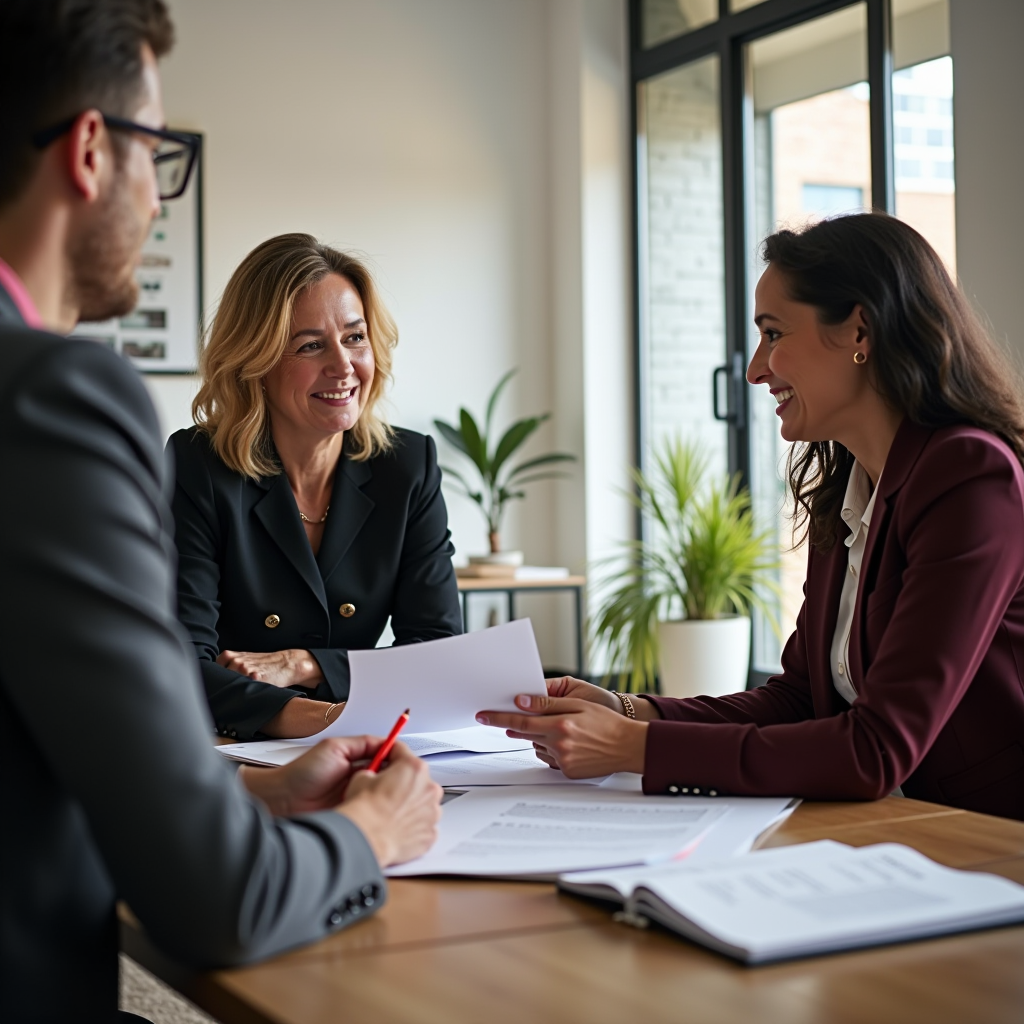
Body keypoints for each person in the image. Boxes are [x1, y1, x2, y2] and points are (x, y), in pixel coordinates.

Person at [0, 3, 441, 1020]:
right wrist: (374, 828)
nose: (157, 200)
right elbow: (221, 898)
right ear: (90, 149)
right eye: (159, 155)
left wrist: (257, 786)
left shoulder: (406, 465)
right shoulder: (58, 398)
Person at [479, 213, 1024, 822]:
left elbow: (876, 748)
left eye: (773, 334)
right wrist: (626, 711)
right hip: (885, 828)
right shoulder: (847, 484)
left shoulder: (970, 476)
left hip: (983, 844)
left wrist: (635, 748)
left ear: (858, 331)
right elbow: (799, 698)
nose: (754, 369)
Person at [168, 234, 462, 741]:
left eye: (354, 337)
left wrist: (305, 665)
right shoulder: (200, 466)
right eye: (310, 345)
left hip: (368, 743)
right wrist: (329, 719)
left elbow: (437, 653)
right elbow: (178, 662)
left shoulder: (408, 465)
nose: (344, 366)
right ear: (255, 363)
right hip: (235, 746)